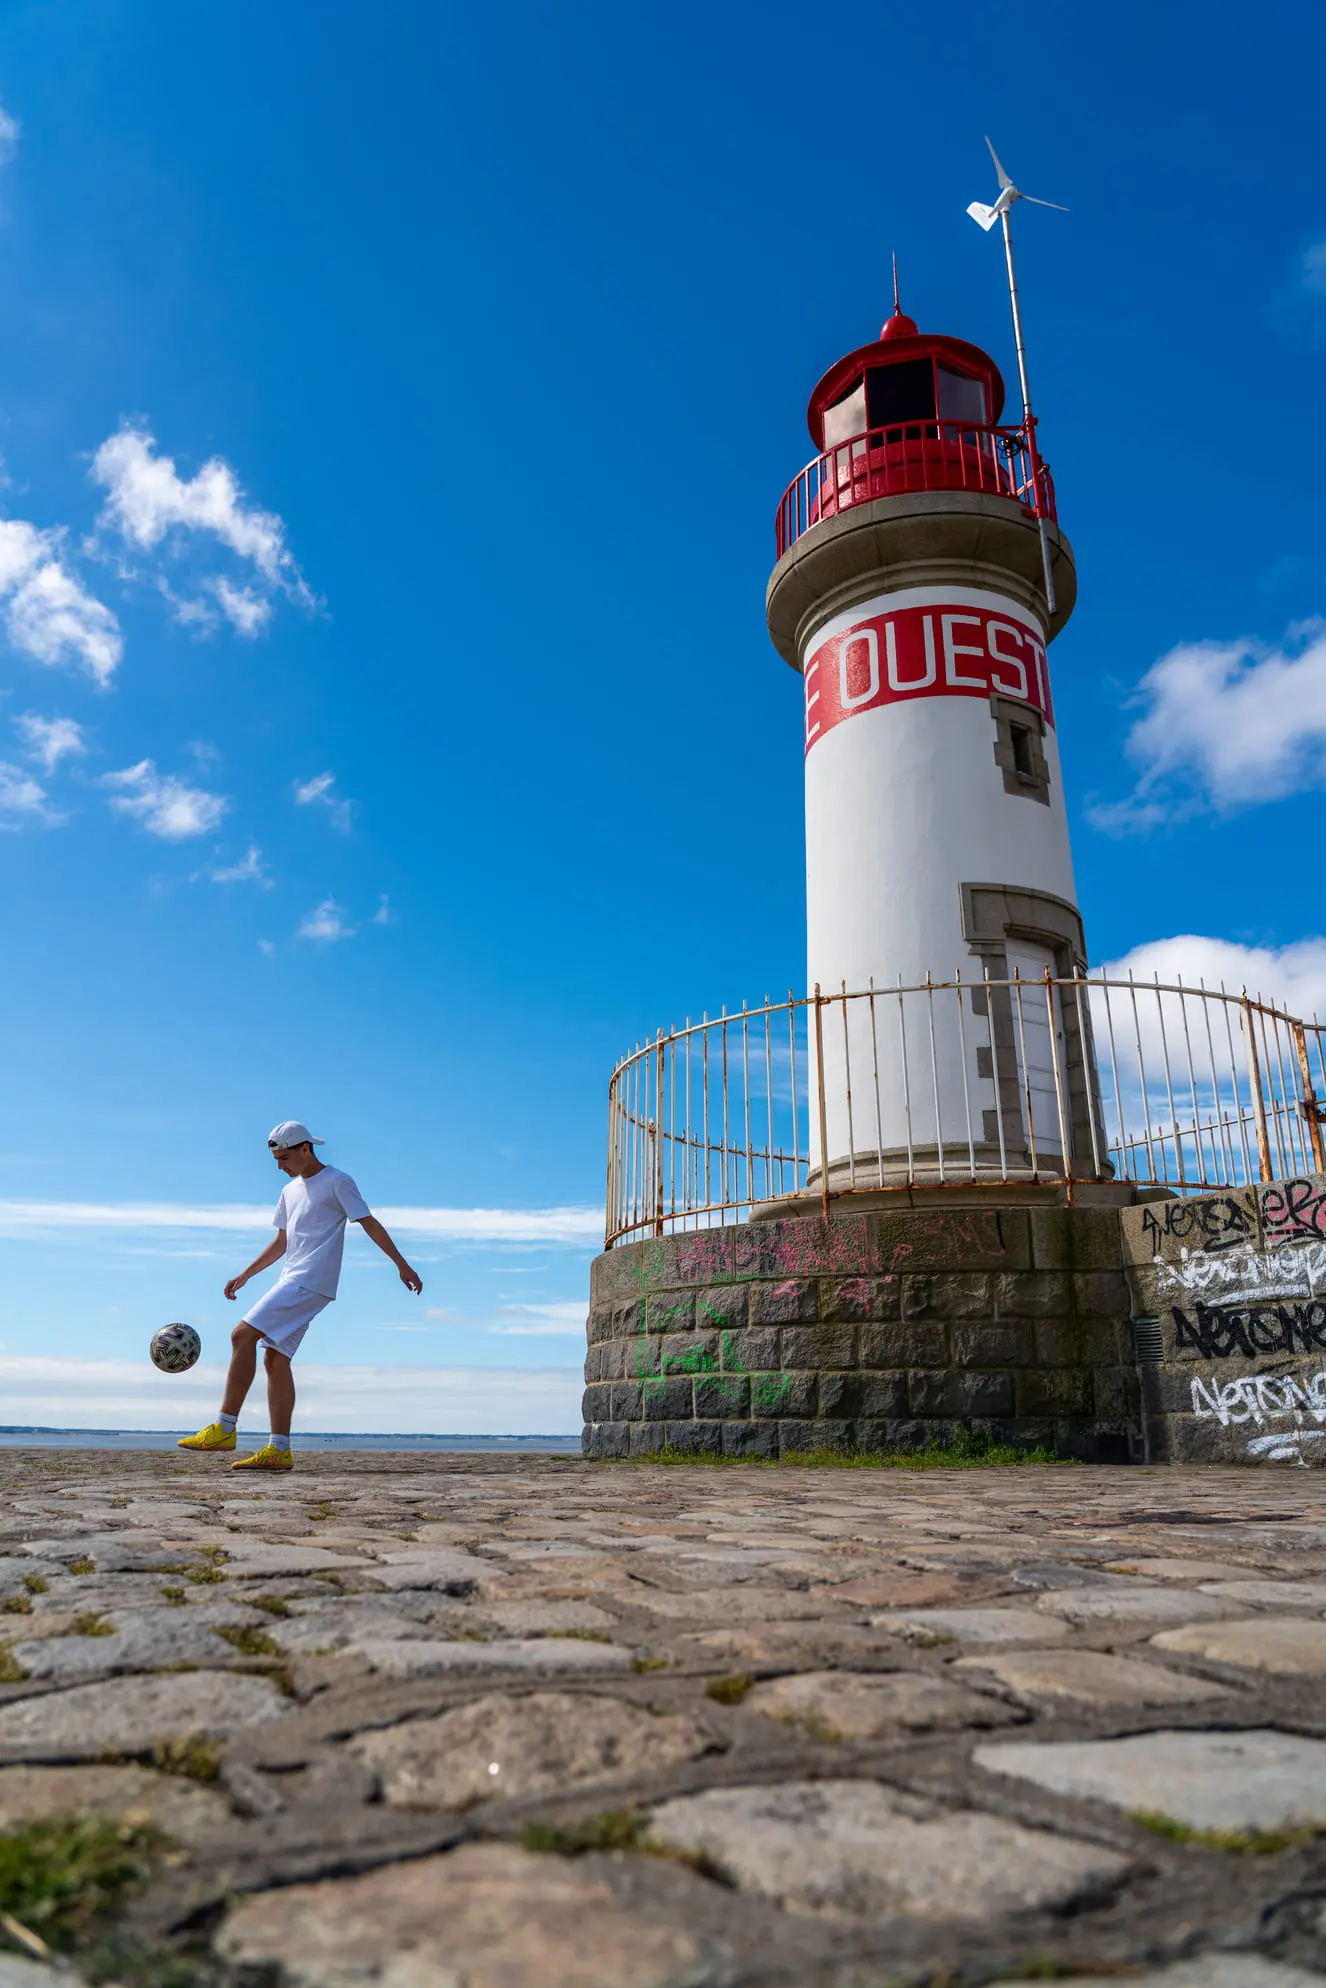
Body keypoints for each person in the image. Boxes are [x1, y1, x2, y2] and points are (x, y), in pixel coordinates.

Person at [179, 1120, 423, 1470]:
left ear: (306, 1149)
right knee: (275, 1358)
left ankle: (224, 1428)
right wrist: (246, 1274)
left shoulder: (338, 1181)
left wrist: (402, 1265)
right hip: (293, 1277)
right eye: (277, 1160)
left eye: (285, 1158)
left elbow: (368, 1222)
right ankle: (279, 1449)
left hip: (312, 1279)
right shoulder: (289, 1192)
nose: (280, 1166)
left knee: (242, 1335)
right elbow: (282, 1242)